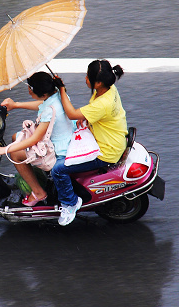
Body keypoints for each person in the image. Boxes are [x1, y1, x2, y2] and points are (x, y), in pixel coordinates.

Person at [51, 59, 128, 225]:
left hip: (105, 152)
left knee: (57, 170)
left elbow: (71, 114)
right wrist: (87, 118)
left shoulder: (103, 103)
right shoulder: (108, 90)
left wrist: (61, 88)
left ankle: (70, 203)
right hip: (113, 139)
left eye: (88, 77)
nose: (85, 79)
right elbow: (93, 113)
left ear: (98, 82)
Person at [0, 71, 76, 206]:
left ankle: (39, 192)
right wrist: (16, 105)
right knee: (16, 137)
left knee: (15, 153)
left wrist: (3, 150)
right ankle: (36, 176)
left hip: (59, 150)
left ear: (44, 94)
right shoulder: (59, 95)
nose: (29, 91)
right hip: (67, 137)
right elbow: (42, 104)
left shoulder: (49, 111)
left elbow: (34, 139)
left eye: (30, 89)